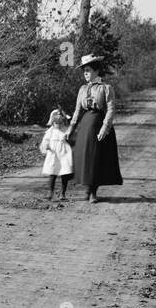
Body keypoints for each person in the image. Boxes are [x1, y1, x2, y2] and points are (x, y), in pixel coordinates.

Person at [67, 54, 122, 203]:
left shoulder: (106, 88)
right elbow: (77, 111)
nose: (86, 73)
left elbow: (110, 109)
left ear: (97, 71)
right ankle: (87, 189)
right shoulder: (82, 90)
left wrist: (105, 128)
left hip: (99, 124)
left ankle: (93, 192)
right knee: (84, 158)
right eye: (84, 70)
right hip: (85, 126)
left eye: (88, 70)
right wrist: (70, 128)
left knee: (97, 159)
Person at [39, 108, 74, 200]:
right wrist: (46, 146)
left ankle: (63, 193)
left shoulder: (66, 130)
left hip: (64, 153)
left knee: (65, 173)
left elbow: (72, 139)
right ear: (53, 123)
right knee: (52, 173)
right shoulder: (50, 131)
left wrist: (69, 139)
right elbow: (46, 140)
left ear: (63, 122)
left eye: (60, 123)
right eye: (56, 123)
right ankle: (50, 193)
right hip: (53, 154)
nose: (58, 125)